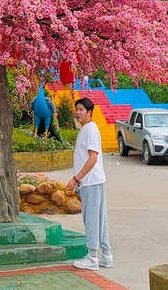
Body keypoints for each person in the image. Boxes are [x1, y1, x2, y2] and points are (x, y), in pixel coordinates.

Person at [68, 97, 113, 270]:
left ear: (89, 112)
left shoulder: (90, 130)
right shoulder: (86, 129)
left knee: (92, 219)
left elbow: (93, 158)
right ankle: (106, 255)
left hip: (91, 182)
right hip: (94, 181)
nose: (78, 113)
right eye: (77, 109)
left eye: (81, 110)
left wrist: (76, 179)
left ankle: (92, 257)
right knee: (100, 219)